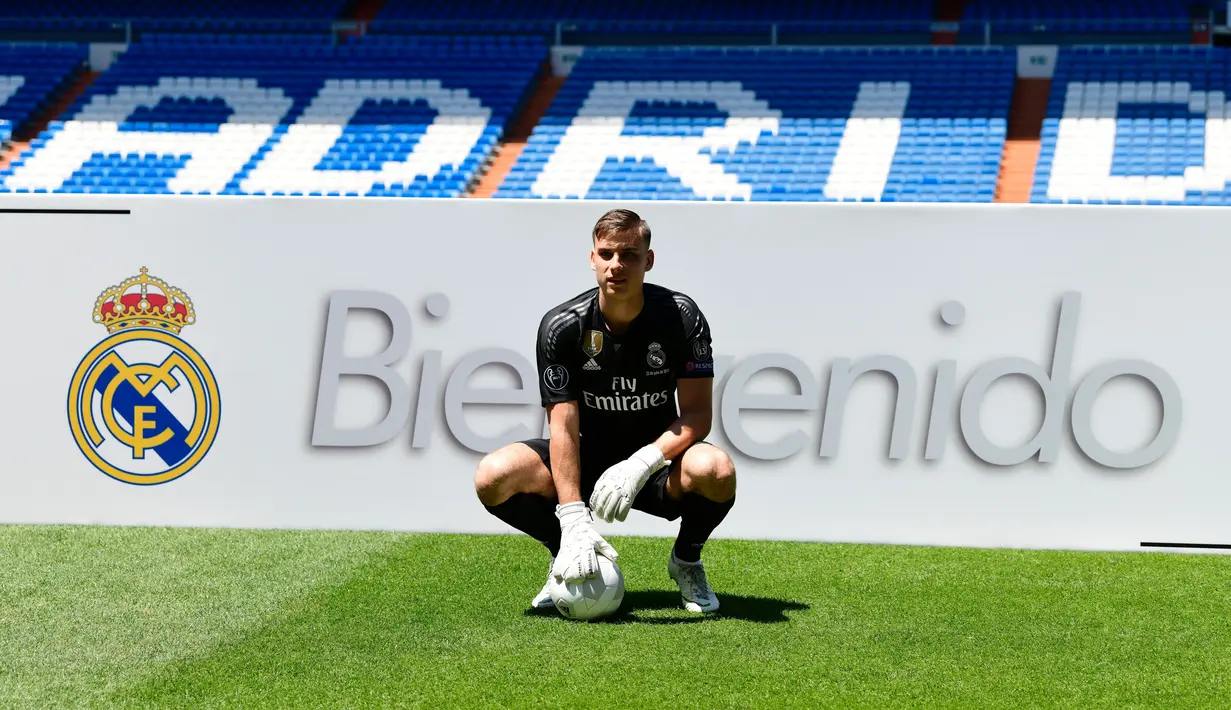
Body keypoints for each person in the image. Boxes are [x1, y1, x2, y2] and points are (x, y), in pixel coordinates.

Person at [474, 208, 737, 614]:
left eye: (630, 254)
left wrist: (641, 463)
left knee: (716, 470)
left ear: (648, 260)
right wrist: (573, 519)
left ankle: (686, 561)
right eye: (607, 253)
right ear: (592, 258)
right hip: (587, 458)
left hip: (656, 465)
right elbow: (562, 427)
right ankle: (566, 552)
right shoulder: (562, 326)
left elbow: (698, 415)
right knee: (493, 476)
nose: (617, 265)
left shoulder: (681, 316)